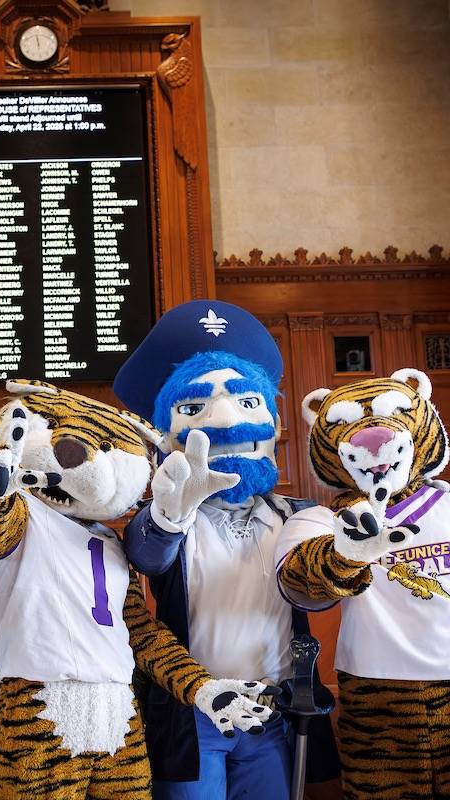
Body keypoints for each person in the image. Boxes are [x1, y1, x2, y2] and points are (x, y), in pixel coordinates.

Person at [113, 300, 339, 800]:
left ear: (276, 425)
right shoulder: (167, 514)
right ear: (165, 437)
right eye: (193, 409)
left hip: (274, 710)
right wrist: (171, 514)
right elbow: (148, 553)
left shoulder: (298, 515)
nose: (227, 424)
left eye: (247, 402)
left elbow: (325, 584)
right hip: (193, 711)